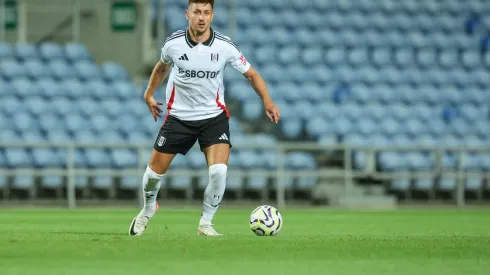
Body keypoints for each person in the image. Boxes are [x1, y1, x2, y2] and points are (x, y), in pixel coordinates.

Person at [129, 0, 280, 237]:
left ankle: (205, 223)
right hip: (179, 118)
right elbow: (161, 68)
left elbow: (251, 74)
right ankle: (148, 209)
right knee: (152, 177)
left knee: (219, 172)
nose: (201, 17)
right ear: (187, 13)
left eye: (206, 13)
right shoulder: (173, 44)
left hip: (213, 118)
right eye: (197, 12)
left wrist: (267, 101)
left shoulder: (224, 46)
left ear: (212, 16)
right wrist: (148, 95)